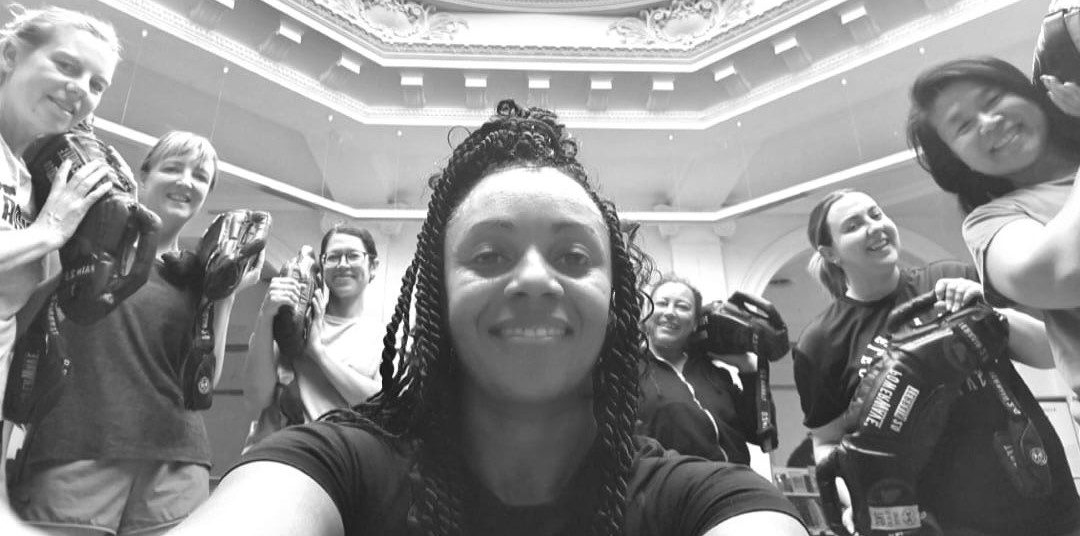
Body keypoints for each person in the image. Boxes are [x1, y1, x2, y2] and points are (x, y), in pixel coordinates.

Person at [169, 100, 808, 536]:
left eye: (573, 254)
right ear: (438, 296)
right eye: (490, 253)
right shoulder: (339, 464)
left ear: (615, 302)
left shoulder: (701, 499)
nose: (534, 278)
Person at [9, 130, 262, 535]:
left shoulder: (197, 275)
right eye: (173, 168)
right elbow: (20, 322)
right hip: (78, 445)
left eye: (200, 176)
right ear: (144, 177)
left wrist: (224, 295)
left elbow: (201, 385)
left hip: (176, 459)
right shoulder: (79, 239)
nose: (185, 181)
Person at [793, 188, 1080, 536]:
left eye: (876, 214)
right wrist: (855, 499)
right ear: (830, 254)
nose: (874, 227)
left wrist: (989, 313)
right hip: (941, 522)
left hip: (1042, 495)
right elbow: (825, 441)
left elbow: (1050, 354)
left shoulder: (948, 279)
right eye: (854, 225)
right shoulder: (822, 342)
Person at [0, 4, 120, 502]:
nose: (81, 91)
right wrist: (49, 231)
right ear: (9, 55)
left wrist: (89, 267)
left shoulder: (30, 181)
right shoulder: (46, 213)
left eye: (97, 84)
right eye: (67, 66)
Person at [906, 56, 1080, 399]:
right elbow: (1062, 275)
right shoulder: (992, 221)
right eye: (963, 127)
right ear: (957, 159)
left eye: (992, 100)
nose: (989, 122)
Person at [243, 224, 384, 446]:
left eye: (353, 256)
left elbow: (382, 406)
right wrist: (266, 315)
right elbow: (256, 400)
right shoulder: (286, 324)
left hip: (340, 465)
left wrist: (317, 351)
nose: (343, 264)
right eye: (333, 257)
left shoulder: (384, 338)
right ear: (321, 266)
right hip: (275, 461)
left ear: (373, 266)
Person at [637, 274, 770, 465]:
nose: (670, 312)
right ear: (645, 314)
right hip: (675, 486)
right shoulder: (630, 371)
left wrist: (748, 368)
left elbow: (759, 433)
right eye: (662, 303)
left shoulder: (712, 372)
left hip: (735, 482)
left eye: (682, 307)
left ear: (695, 323)